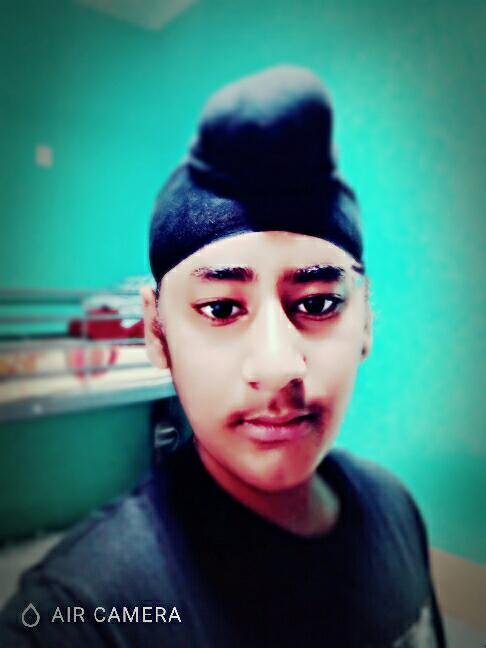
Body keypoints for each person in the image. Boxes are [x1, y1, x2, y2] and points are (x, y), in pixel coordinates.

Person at [0, 65, 446, 647]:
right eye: (220, 308)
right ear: (156, 332)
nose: (277, 367)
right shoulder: (86, 612)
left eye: (317, 303)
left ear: (365, 320)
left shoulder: (398, 511)